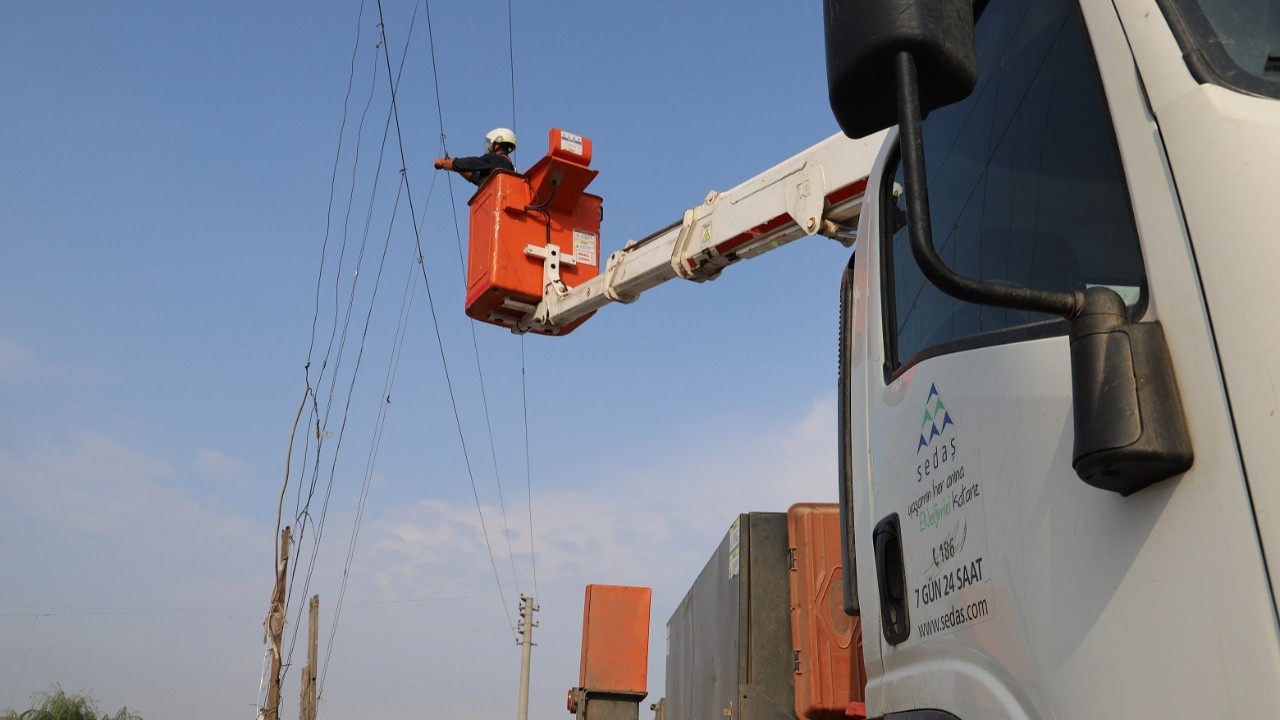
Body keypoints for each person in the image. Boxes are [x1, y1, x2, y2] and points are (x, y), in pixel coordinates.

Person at [434, 128, 517, 186]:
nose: (488, 147)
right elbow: (476, 178)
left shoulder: (495, 158)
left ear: (497, 144)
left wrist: (443, 163)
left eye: (490, 142)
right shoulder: (507, 165)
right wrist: (450, 163)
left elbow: (469, 163)